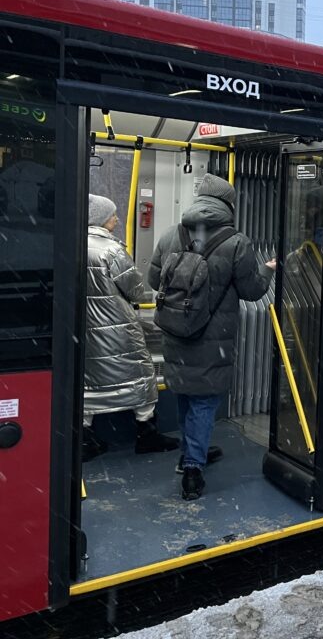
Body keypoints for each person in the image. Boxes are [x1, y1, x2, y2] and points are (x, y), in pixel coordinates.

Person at [149, 175, 275, 500]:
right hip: (213, 338)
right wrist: (269, 269)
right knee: (204, 402)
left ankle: (187, 457)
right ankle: (193, 469)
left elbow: (153, 279)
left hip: (177, 333)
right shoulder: (237, 242)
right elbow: (252, 290)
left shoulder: (170, 235)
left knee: (185, 396)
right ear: (228, 204)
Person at [83, 194, 178, 461]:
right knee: (141, 376)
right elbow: (136, 290)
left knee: (86, 380)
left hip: (85, 328)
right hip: (117, 327)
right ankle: (146, 434)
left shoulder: (73, 244)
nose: (116, 218)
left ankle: (84, 438)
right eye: (112, 214)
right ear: (102, 218)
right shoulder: (111, 250)